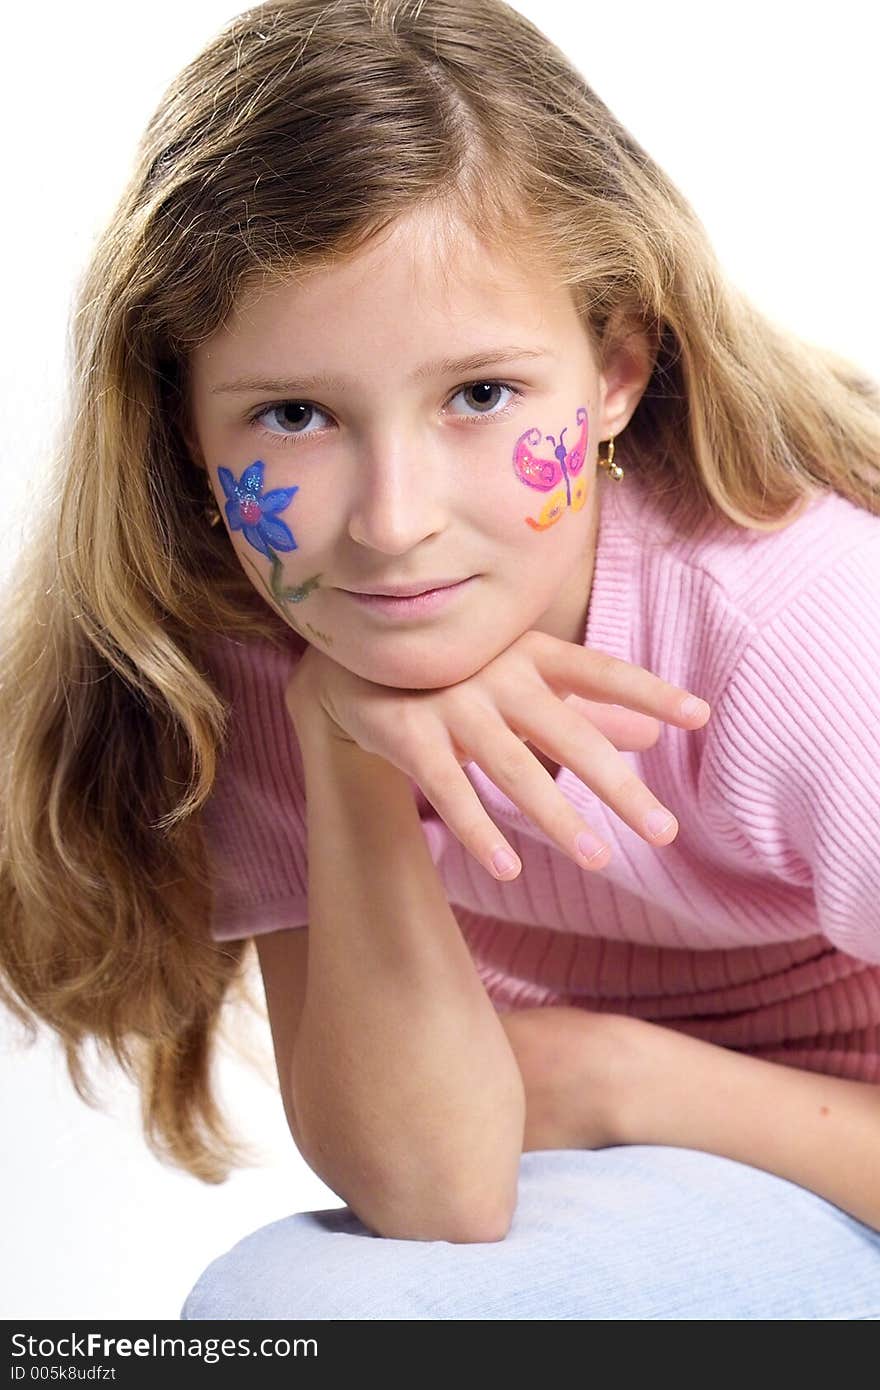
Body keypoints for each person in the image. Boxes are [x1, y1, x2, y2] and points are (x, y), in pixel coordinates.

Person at [2, 0, 879, 1321]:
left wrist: (614, 1078)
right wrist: (345, 747)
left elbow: (528, 1148)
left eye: (479, 395)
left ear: (616, 373)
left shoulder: (798, 616)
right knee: (274, 1308)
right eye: (294, 414)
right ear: (186, 423)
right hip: (665, 1190)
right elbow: (435, 1187)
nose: (392, 520)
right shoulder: (265, 642)